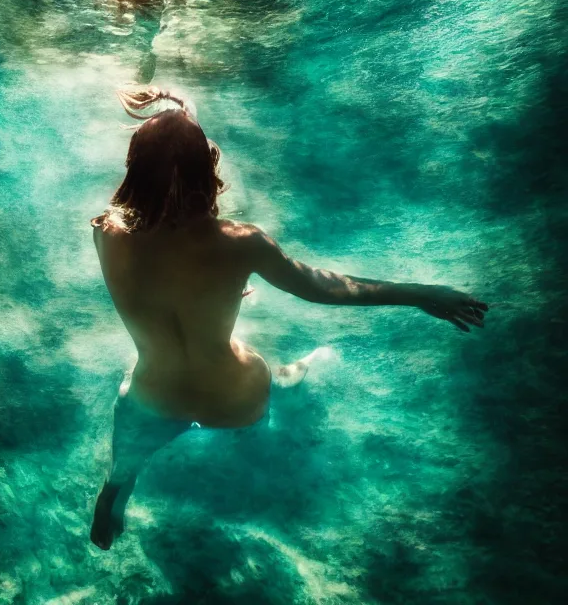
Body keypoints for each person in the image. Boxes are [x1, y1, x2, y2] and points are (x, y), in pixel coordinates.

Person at [90, 86, 488, 549]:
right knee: (266, 367)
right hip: (234, 402)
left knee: (123, 468)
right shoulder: (241, 242)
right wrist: (420, 293)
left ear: (134, 166)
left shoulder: (106, 233)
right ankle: (294, 377)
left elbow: (167, 174)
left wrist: (176, 110)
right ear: (207, 166)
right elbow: (326, 288)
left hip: (151, 400)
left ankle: (110, 507)